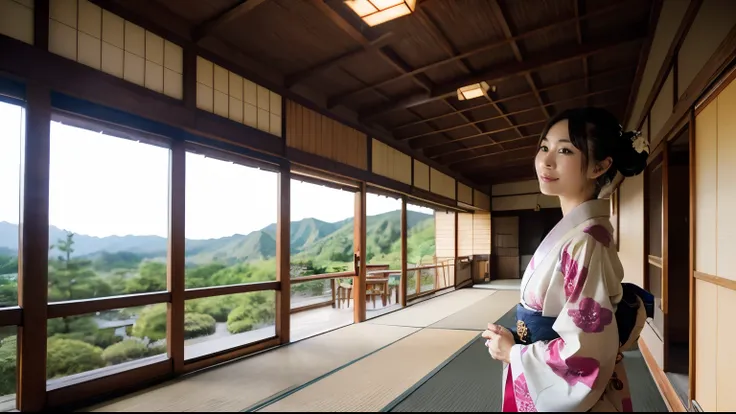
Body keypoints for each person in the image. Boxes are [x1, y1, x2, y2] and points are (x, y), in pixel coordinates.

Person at [483, 107, 653, 412]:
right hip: (539, 349)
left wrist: (514, 354)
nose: (546, 161)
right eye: (544, 147)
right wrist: (518, 338)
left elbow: (585, 349)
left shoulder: (586, 241)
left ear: (599, 166)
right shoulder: (577, 234)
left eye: (564, 150)